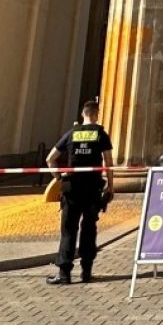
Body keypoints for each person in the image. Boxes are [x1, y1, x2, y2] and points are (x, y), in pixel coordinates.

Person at [46, 99, 114, 285]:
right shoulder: (101, 134)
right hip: (92, 188)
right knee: (89, 228)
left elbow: (50, 159)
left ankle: (64, 273)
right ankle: (86, 271)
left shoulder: (71, 134)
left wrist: (59, 178)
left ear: (82, 114)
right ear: (96, 114)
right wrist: (111, 185)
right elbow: (108, 163)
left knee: (68, 230)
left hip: (71, 189)